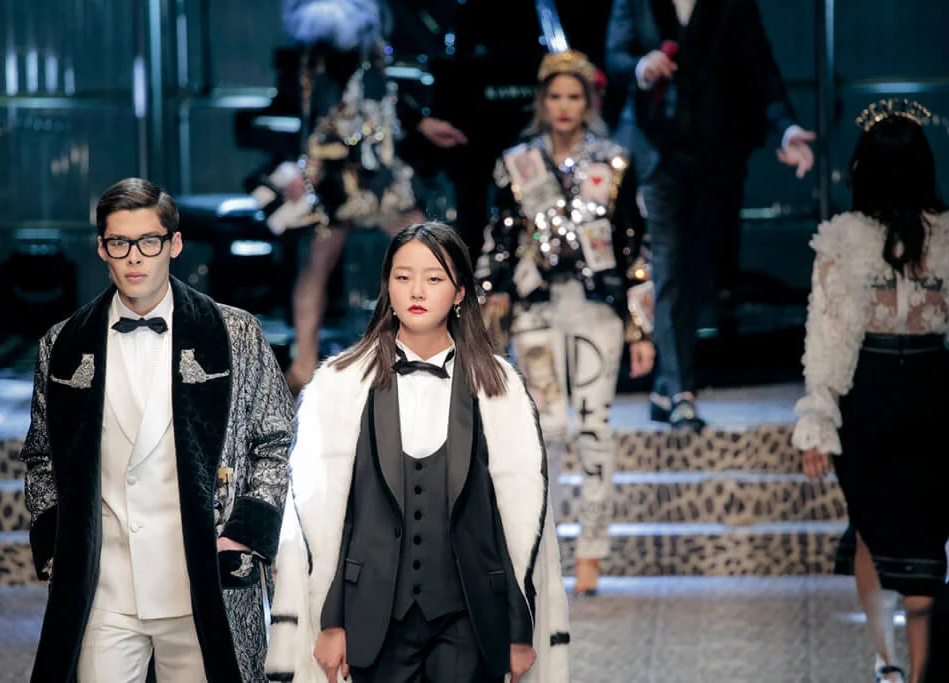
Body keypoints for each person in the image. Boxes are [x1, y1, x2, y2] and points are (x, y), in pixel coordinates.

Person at [265, 223, 569, 682]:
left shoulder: (499, 390)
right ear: (387, 286)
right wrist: (330, 621)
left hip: (471, 617)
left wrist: (519, 629)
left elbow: (514, 520)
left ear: (460, 292)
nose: (417, 291)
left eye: (434, 278)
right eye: (403, 277)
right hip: (371, 618)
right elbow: (330, 518)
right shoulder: (341, 387)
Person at [18, 178, 294, 682]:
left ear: (175, 244)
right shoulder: (62, 344)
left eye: (149, 241)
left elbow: (274, 438)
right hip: (105, 587)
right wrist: (60, 548)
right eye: (119, 243)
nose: (134, 258)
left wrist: (243, 535)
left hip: (201, 578)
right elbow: (41, 454)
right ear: (102, 248)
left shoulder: (235, 333)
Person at [475, 49, 655, 596]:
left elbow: (633, 245)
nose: (563, 106)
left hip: (598, 309)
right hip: (535, 308)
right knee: (545, 428)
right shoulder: (517, 162)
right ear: (541, 100)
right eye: (554, 96)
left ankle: (592, 550)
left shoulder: (614, 160)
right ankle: (543, 547)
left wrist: (641, 328)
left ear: (588, 101)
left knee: (595, 426)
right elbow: (500, 236)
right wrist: (489, 302)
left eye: (574, 96)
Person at [794, 100, 949, 683]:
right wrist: (818, 416)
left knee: (878, 528)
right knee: (911, 532)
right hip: (919, 392)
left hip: (880, 396)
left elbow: (829, 334)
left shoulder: (864, 235)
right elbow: (830, 332)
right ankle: (905, 665)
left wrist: (820, 418)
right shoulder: (849, 237)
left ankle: (891, 663)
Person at [606, 0, 816, 429]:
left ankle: (666, 385)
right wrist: (642, 66)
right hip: (656, 153)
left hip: (715, 155)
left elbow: (761, 68)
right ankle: (680, 391)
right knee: (668, 268)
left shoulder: (733, 4)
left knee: (699, 274)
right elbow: (615, 56)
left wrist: (786, 128)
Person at [277, 0, 467, 393]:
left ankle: (452, 346)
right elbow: (299, 111)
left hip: (376, 169)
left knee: (431, 248)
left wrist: (421, 123)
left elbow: (383, 99)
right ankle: (303, 362)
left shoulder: (369, 40)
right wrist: (291, 166)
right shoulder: (313, 47)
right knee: (319, 262)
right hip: (333, 173)